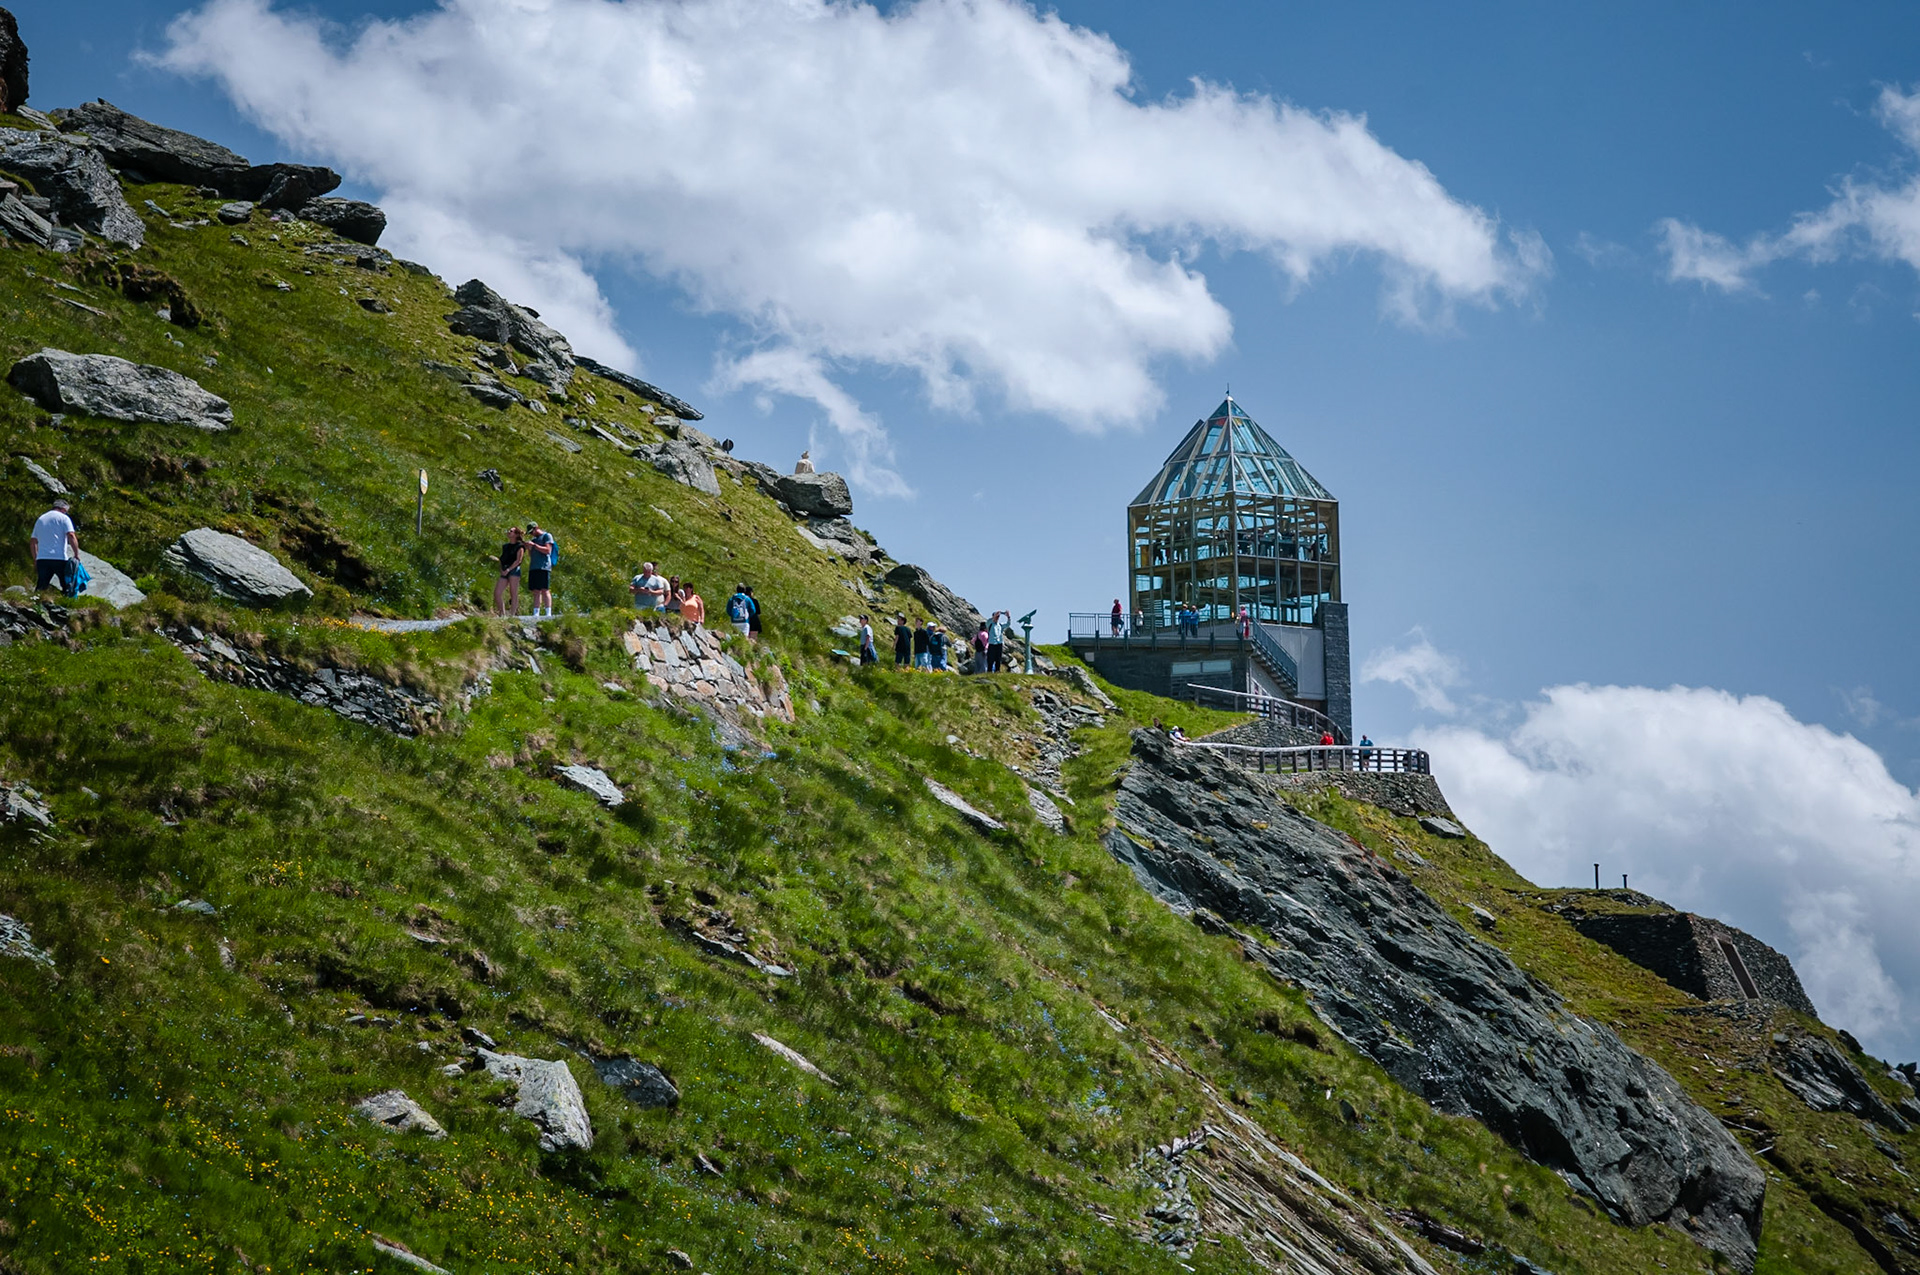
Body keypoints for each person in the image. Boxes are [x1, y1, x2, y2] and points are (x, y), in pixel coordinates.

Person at [29, 498, 78, 596]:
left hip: (42, 558)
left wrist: (36, 558)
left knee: (41, 586)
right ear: (64, 509)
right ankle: (67, 605)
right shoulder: (64, 518)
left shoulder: (41, 519)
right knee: (66, 585)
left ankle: (36, 605)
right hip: (59, 557)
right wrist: (76, 554)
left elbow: (33, 541)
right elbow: (71, 535)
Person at [492, 527, 526, 616]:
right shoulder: (505, 546)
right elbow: (502, 559)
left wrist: (508, 569)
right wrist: (501, 568)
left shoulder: (520, 546)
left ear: (516, 534)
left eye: (511, 531)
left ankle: (512, 614)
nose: (509, 532)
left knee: (513, 592)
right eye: (509, 531)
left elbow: (518, 560)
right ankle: (502, 613)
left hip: (514, 570)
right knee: (497, 593)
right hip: (504, 570)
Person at [525, 522, 557, 618]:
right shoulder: (534, 540)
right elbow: (531, 555)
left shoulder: (547, 536)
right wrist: (529, 549)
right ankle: (536, 612)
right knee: (536, 590)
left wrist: (534, 546)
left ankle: (548, 612)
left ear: (536, 528)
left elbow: (548, 550)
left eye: (532, 532)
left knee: (544, 589)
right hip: (534, 567)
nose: (531, 534)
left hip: (544, 567)